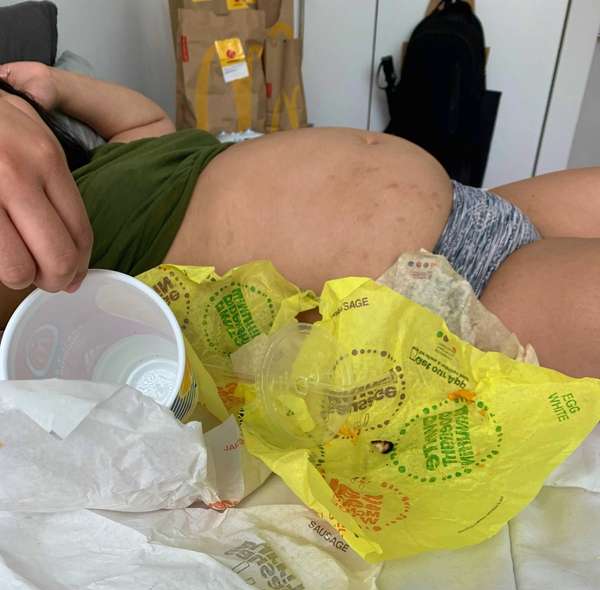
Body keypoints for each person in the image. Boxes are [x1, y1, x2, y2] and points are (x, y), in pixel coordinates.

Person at [0, 61, 598, 379]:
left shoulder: (103, 165)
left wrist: (59, 85)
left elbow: (146, 125)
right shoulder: (30, 247)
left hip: (474, 207)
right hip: (443, 304)